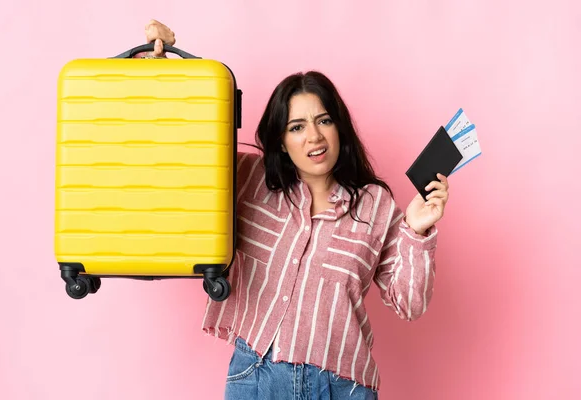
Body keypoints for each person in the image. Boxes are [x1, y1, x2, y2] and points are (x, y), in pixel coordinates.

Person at [143, 19, 451, 400]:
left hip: (342, 388)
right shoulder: (246, 178)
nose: (314, 137)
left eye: (324, 121)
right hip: (256, 378)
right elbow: (176, 151)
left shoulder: (375, 205)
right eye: (296, 127)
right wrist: (160, 69)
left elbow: (409, 303)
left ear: (340, 129)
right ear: (280, 141)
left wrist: (417, 231)